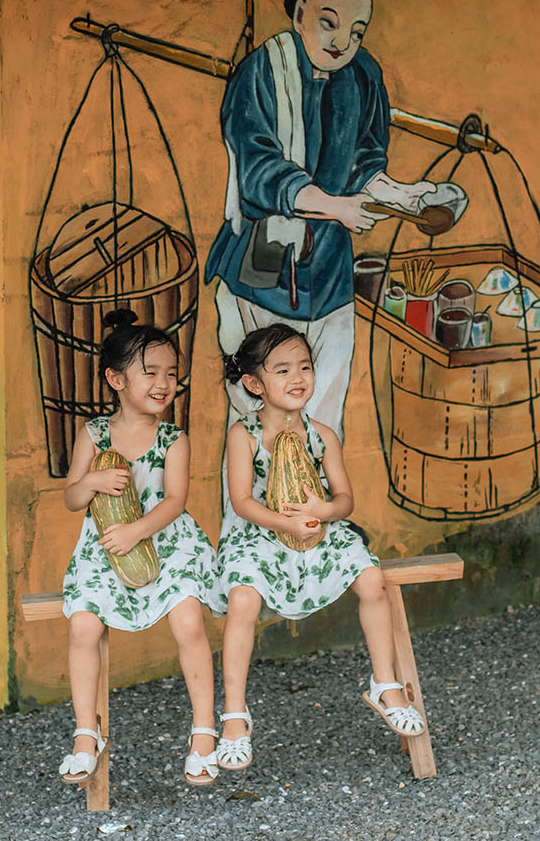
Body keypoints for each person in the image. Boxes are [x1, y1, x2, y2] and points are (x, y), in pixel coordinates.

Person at [206, 0, 432, 436]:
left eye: (357, 31)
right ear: (299, 15)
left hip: (329, 277)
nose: (342, 42)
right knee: (257, 428)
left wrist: (405, 196)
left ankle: (320, 491)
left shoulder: (363, 75)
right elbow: (260, 174)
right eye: (329, 23)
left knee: (324, 424)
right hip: (261, 273)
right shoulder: (262, 72)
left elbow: (365, 161)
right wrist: (337, 207)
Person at [215, 323, 425, 771]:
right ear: (254, 383)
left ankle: (385, 684)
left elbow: (345, 499)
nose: (298, 377)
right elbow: (242, 502)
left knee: (373, 579)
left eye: (305, 367)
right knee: (243, 600)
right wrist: (286, 521)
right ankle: (234, 714)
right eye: (282, 370)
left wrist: (323, 511)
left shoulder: (323, 435)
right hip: (260, 534)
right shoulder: (243, 434)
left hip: (319, 530)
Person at [60, 309, 223, 789]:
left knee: (188, 619)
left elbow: (175, 501)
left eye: (171, 373)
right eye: (150, 373)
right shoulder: (93, 434)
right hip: (106, 546)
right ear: (116, 380)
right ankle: (86, 733)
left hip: (166, 541)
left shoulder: (173, 438)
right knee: (83, 626)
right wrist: (91, 481)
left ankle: (203, 731)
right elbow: (72, 498)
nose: (164, 383)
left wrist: (138, 531)